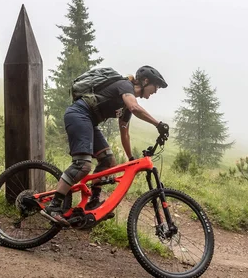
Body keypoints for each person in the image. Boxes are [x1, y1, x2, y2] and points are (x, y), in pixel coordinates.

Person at [44, 65, 170, 225]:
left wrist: (131, 158)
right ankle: (53, 206)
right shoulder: (125, 86)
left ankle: (92, 202)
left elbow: (125, 133)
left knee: (108, 161)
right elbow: (134, 106)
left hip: (89, 121)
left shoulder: (127, 107)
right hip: (79, 114)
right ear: (145, 81)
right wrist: (158, 124)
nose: (155, 91)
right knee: (83, 165)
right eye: (155, 87)